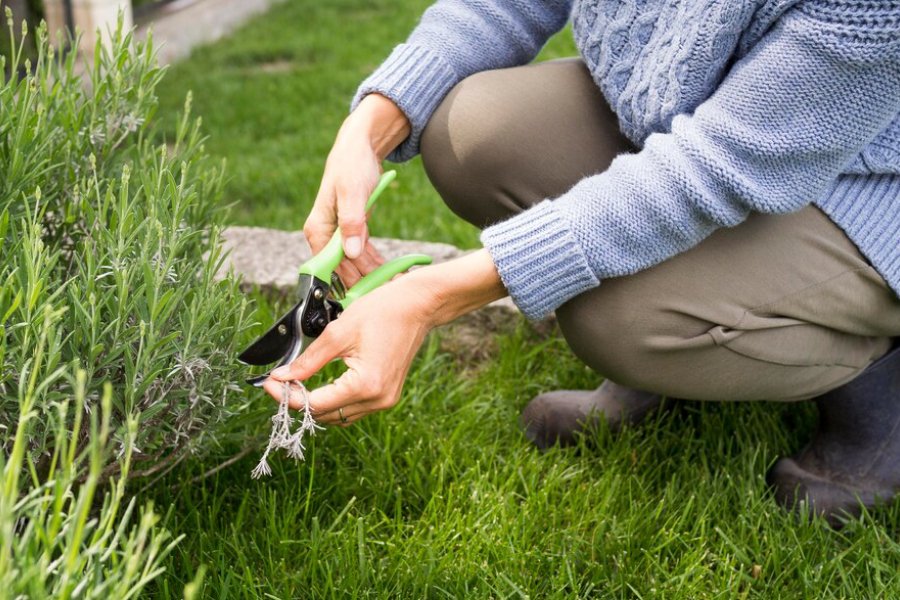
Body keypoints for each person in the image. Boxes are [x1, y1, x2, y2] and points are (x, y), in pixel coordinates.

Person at [265, 0, 900, 525]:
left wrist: (428, 296)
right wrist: (372, 123)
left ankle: (878, 389)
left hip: (857, 192)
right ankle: (686, 345)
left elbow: (715, 167)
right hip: (679, 123)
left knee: (621, 321)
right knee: (473, 132)